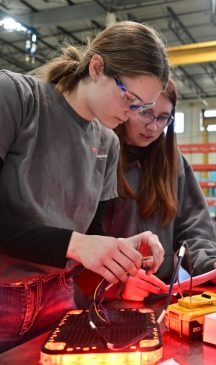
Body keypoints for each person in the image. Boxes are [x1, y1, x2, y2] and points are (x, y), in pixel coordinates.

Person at [0, 21, 169, 352]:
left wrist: (120, 250)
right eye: (131, 99)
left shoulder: (108, 143)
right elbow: (76, 243)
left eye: (144, 108)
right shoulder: (16, 98)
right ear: (96, 68)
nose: (134, 115)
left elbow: (84, 243)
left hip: (58, 302)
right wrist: (78, 244)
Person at [76, 78, 216, 302]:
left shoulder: (175, 164)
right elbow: (80, 242)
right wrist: (117, 285)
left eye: (163, 117)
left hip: (160, 295)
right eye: (146, 112)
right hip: (101, 300)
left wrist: (209, 264)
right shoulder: (97, 157)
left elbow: (193, 227)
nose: (153, 126)